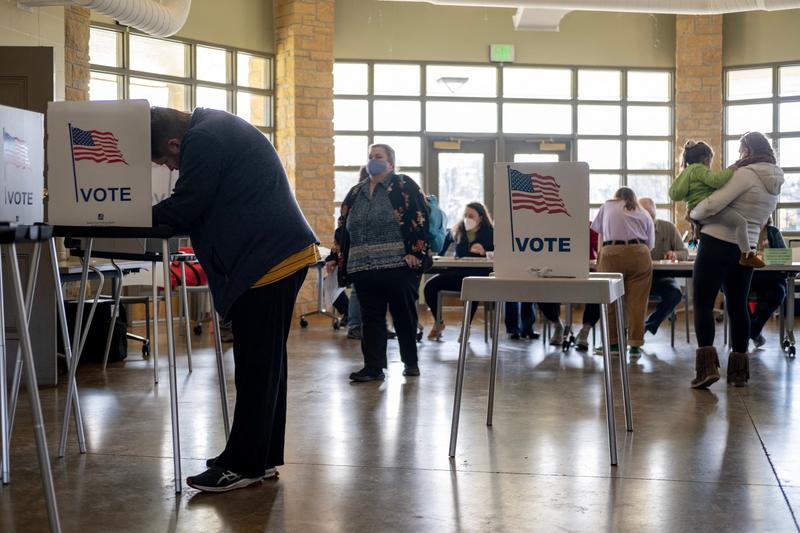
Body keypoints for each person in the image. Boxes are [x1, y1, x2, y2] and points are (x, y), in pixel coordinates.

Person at [150, 107, 318, 492]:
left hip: (266, 260)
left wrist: (129, 215)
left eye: (168, 161)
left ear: (175, 143)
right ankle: (261, 458)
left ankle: (243, 464)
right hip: (277, 255)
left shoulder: (203, 139)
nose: (173, 169)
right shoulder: (215, 127)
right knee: (266, 364)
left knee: (256, 365)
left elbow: (187, 205)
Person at [689, 131, 784, 389]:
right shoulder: (775, 182)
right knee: (738, 305)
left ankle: (706, 369)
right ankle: (739, 373)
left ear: (748, 151)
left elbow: (711, 205)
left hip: (716, 243)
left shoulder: (746, 174)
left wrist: (693, 212)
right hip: (746, 248)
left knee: (702, 302)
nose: (739, 156)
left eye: (741, 150)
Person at [333, 143, 430, 382]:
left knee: (403, 316)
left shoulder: (403, 185)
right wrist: (335, 256)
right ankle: (373, 367)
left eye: (378, 157)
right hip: (363, 267)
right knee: (371, 318)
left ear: (390, 163)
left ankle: (410, 362)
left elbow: (419, 218)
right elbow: (343, 225)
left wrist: (416, 253)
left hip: (397, 265)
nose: (373, 160)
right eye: (370, 156)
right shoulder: (356, 192)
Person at [669, 140, 764, 268]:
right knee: (741, 222)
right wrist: (730, 170)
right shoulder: (699, 169)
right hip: (705, 206)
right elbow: (716, 181)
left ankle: (697, 226)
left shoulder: (686, 171)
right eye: (710, 160)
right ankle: (747, 255)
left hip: (695, 208)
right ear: (705, 158)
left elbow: (677, 194)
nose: (710, 164)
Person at [590, 187, 655, 358]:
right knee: (638, 302)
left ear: (617, 197)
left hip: (612, 252)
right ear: (634, 197)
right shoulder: (644, 212)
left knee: (610, 300)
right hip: (640, 253)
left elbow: (600, 235)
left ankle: (613, 344)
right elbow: (650, 245)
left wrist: (600, 260)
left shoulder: (607, 206)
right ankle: (635, 346)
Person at [424, 202, 493, 340]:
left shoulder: (490, 233)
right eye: (465, 215)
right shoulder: (459, 230)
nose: (467, 218)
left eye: (471, 216)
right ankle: (438, 322)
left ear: (480, 217)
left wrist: (485, 252)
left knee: (471, 288)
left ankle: (466, 327)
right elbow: (442, 248)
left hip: (478, 276)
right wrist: (437, 254)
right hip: (457, 273)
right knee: (430, 287)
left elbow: (498, 254)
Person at [638, 197, 688, 335]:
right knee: (623, 293)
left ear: (655, 212)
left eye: (651, 215)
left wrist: (675, 255)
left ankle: (649, 325)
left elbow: (684, 252)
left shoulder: (669, 228)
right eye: (644, 215)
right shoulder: (632, 229)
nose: (648, 218)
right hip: (638, 279)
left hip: (663, 279)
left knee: (675, 293)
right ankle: (627, 332)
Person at [749, 219, 787, 349]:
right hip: (749, 278)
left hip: (772, 279)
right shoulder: (742, 230)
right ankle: (753, 332)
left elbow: (784, 257)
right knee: (737, 294)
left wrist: (762, 255)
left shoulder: (773, 232)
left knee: (777, 294)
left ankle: (750, 331)